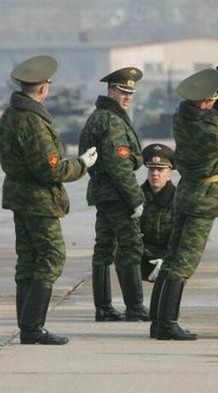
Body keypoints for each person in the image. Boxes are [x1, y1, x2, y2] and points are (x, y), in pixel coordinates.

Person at [149, 68, 218, 340]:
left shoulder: (181, 115)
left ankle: (158, 321)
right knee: (184, 262)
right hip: (203, 200)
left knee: (172, 256)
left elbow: (210, 111)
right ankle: (167, 324)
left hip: (187, 193)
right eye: (213, 96)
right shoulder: (214, 130)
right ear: (207, 100)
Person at [0, 55, 98, 344]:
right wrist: (82, 164)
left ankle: (28, 327)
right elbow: (50, 169)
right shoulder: (32, 121)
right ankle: (32, 327)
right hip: (38, 201)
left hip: (20, 196)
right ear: (43, 88)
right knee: (53, 256)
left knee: (29, 260)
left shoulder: (10, 115)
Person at [79, 67, 149, 322]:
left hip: (103, 192)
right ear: (111, 90)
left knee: (104, 248)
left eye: (130, 93)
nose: (127, 97)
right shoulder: (111, 120)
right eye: (122, 92)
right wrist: (135, 199)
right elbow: (119, 166)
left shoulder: (99, 117)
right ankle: (135, 307)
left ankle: (104, 308)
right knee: (131, 245)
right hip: (116, 194)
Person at [139, 143, 176, 283]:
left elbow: (182, 239)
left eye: (160, 169)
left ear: (169, 174)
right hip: (140, 256)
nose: (155, 173)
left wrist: (166, 260)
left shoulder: (178, 200)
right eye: (151, 169)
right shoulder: (135, 197)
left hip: (167, 258)